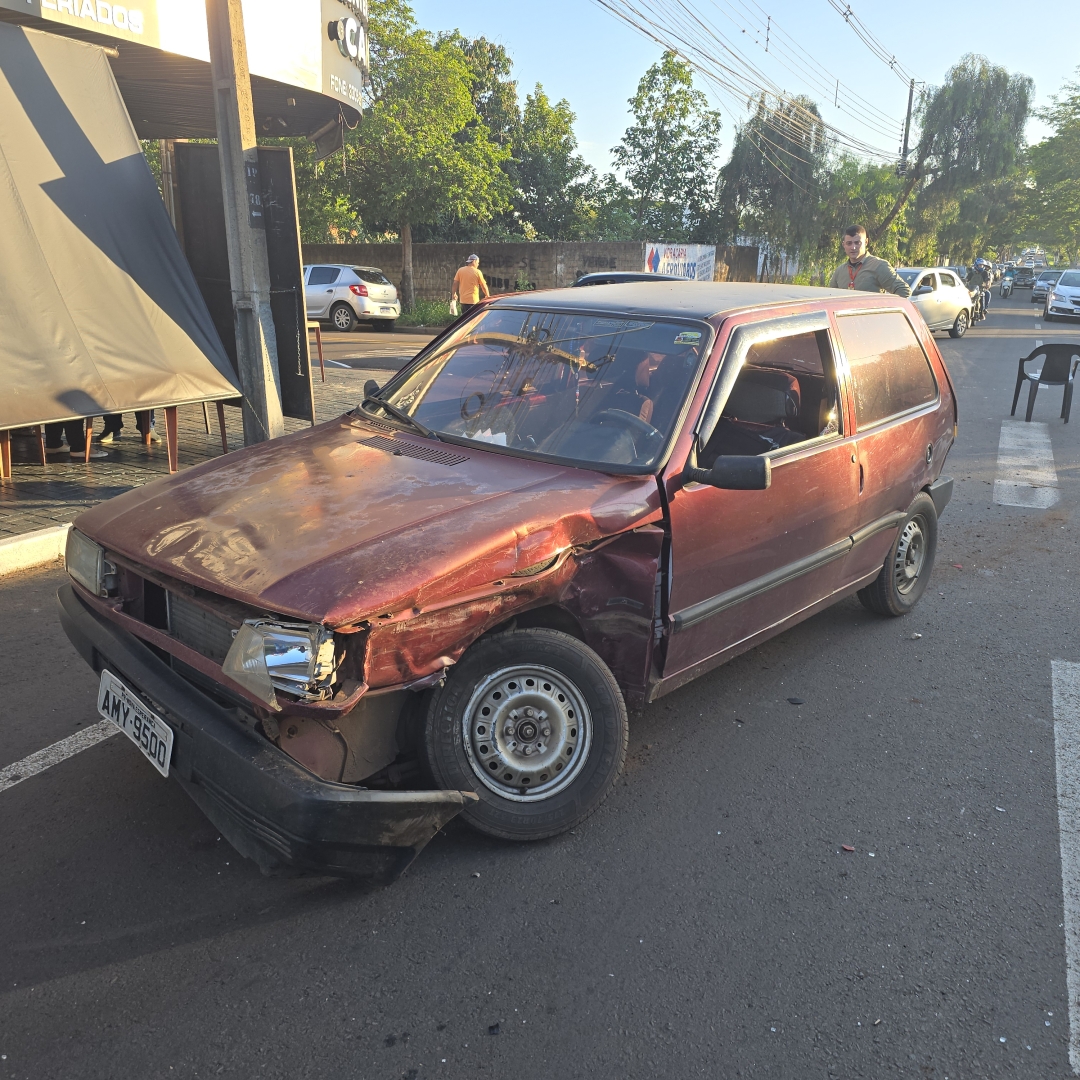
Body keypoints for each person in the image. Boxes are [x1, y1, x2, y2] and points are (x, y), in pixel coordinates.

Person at [828, 225, 911, 297]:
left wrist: (884, 310)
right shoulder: (839, 271)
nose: (853, 247)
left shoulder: (879, 266)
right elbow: (829, 297)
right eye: (849, 243)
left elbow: (904, 290)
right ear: (844, 245)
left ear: (866, 242)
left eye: (857, 243)